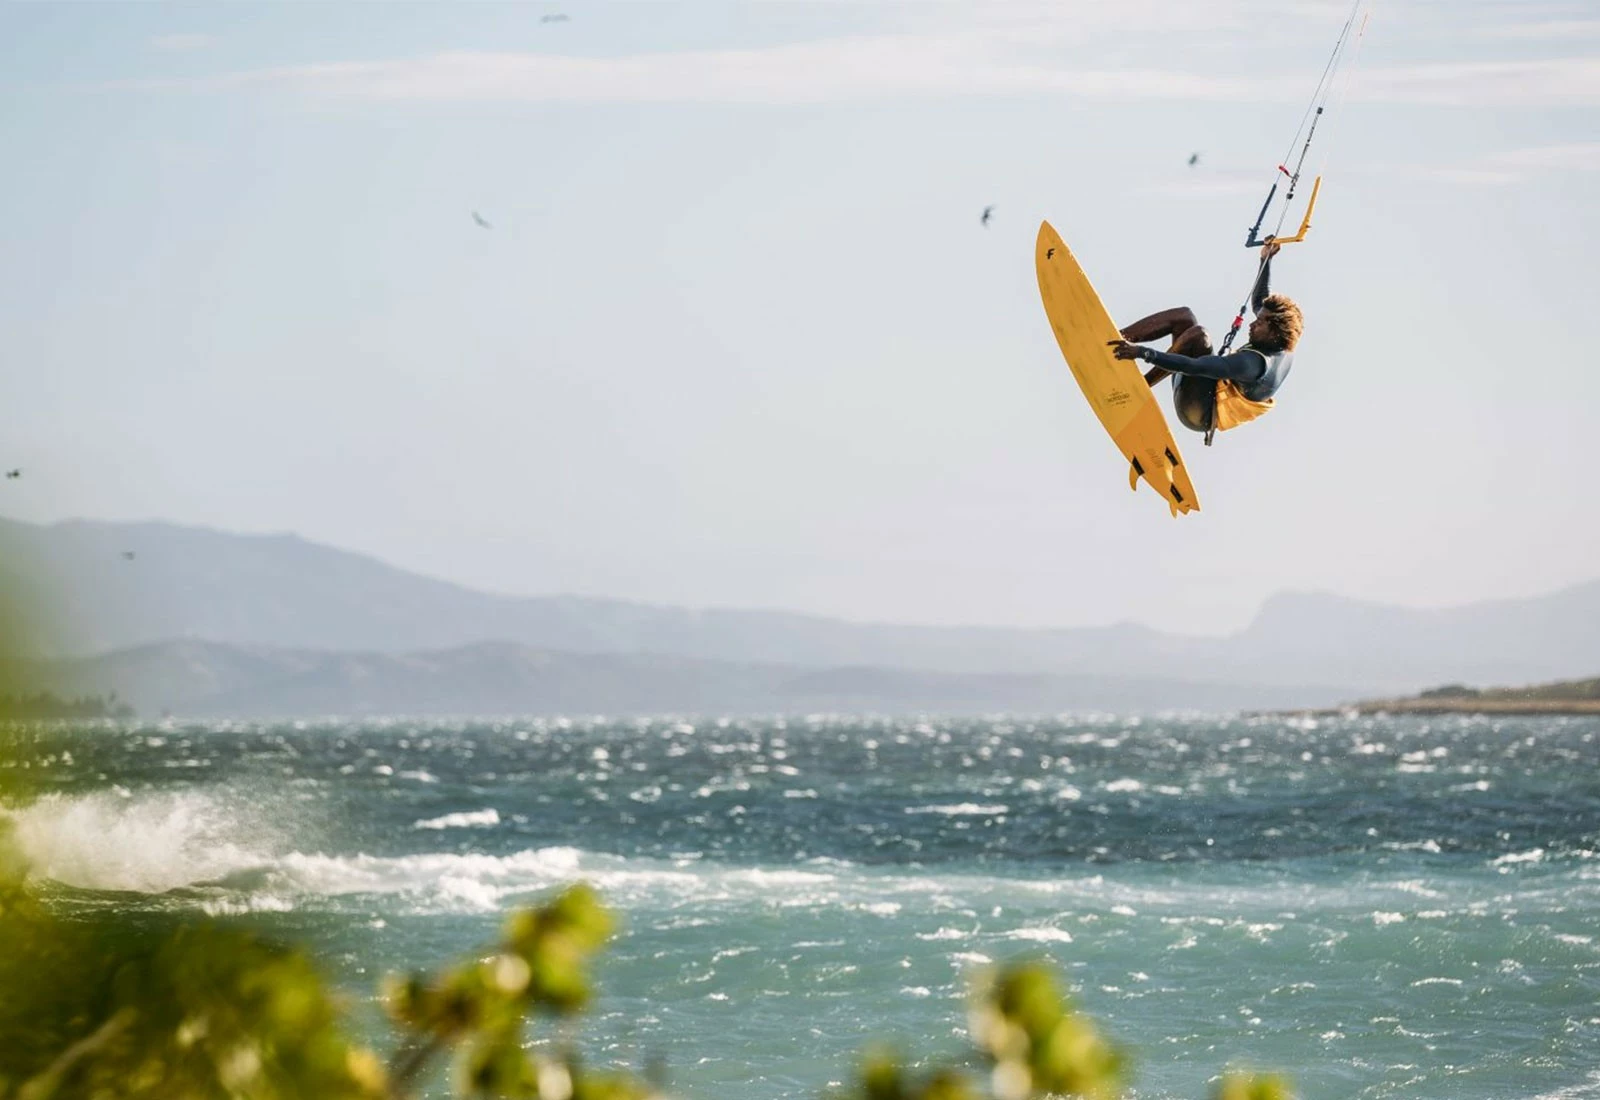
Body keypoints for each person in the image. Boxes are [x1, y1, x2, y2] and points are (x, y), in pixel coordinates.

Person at [1106, 242, 1303, 437]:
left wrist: (1143, 353)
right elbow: (1261, 301)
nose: (1252, 324)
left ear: (1273, 332)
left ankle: (1139, 387)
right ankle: (1115, 338)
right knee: (1184, 316)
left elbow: (1195, 366)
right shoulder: (1280, 337)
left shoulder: (1253, 364)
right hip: (1202, 387)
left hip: (1200, 412)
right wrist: (1265, 259)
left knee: (1199, 335)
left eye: (1259, 323)